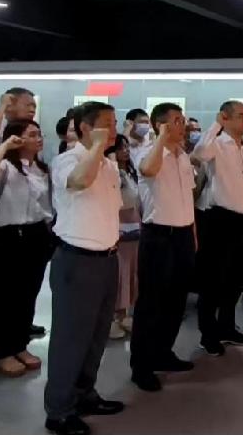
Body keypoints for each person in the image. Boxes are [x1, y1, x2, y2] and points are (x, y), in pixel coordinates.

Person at [45, 101, 125, 435]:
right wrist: (94, 149)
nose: (114, 129)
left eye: (115, 122)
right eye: (108, 123)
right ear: (86, 128)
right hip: (77, 261)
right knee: (70, 339)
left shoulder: (109, 164)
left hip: (107, 259)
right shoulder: (68, 159)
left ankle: (84, 393)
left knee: (96, 336)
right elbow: (78, 182)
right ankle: (59, 410)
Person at [129, 103, 198, 392]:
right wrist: (160, 139)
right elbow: (147, 169)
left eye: (183, 120)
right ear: (161, 125)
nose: (184, 126)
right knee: (151, 303)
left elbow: (188, 198)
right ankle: (141, 365)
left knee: (176, 301)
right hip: (158, 236)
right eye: (177, 121)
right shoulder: (147, 152)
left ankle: (163, 352)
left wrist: (193, 233)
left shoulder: (183, 156)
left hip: (183, 235)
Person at [0, 119, 53, 377]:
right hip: (8, 237)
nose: (38, 138)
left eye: (39, 133)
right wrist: (6, 145)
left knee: (28, 294)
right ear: (17, 138)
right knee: (5, 297)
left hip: (36, 235)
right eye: (32, 134)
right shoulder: (6, 166)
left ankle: (20, 345)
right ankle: (4, 351)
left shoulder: (41, 169)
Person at [191, 101, 243, 356]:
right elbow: (199, 154)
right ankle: (208, 333)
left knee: (236, 278)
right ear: (225, 118)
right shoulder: (216, 143)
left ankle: (227, 326)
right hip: (220, 219)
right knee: (214, 279)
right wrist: (215, 126)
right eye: (241, 115)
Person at [105, 135, 139, 341]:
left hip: (134, 224)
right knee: (118, 274)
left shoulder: (130, 171)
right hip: (118, 225)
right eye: (120, 148)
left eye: (127, 147)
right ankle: (110, 318)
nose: (125, 151)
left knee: (130, 273)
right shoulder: (111, 172)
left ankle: (124, 314)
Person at [0, 88, 37, 157]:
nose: (32, 110)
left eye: (34, 107)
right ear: (10, 105)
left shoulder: (32, 131)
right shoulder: (0, 126)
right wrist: (3, 105)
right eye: (28, 105)